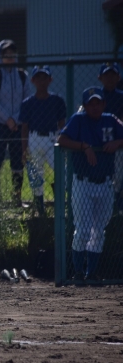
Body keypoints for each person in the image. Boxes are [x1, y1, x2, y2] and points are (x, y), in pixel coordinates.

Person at [58, 87, 123, 281]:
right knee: (83, 229)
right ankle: (78, 271)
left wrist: (118, 142)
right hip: (83, 183)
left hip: (105, 183)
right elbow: (61, 140)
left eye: (98, 103)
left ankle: (91, 273)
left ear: (103, 104)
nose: (94, 107)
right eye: (90, 104)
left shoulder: (110, 119)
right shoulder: (78, 119)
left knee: (99, 231)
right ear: (85, 106)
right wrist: (83, 146)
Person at [0, 39, 32, 207]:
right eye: (6, 55)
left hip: (18, 125)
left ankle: (16, 198)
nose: (10, 58)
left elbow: (27, 99)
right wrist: (8, 118)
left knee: (17, 161)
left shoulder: (23, 75)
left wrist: (16, 119)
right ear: (0, 57)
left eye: (13, 55)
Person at [19, 66, 67, 215]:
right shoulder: (28, 102)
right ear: (33, 80)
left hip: (53, 137)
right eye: (38, 78)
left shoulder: (57, 100)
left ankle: (60, 200)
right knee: (35, 175)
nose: (41, 81)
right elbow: (24, 128)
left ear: (50, 80)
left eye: (44, 77)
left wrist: (62, 140)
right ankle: (39, 208)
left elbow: (62, 124)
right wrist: (24, 149)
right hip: (34, 138)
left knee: (61, 171)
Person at [96, 63, 123, 214]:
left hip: (118, 145)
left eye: (113, 74)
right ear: (100, 77)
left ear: (119, 77)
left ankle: (117, 210)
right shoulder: (95, 96)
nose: (110, 78)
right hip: (99, 145)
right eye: (106, 75)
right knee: (102, 178)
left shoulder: (121, 96)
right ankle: (106, 209)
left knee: (118, 178)